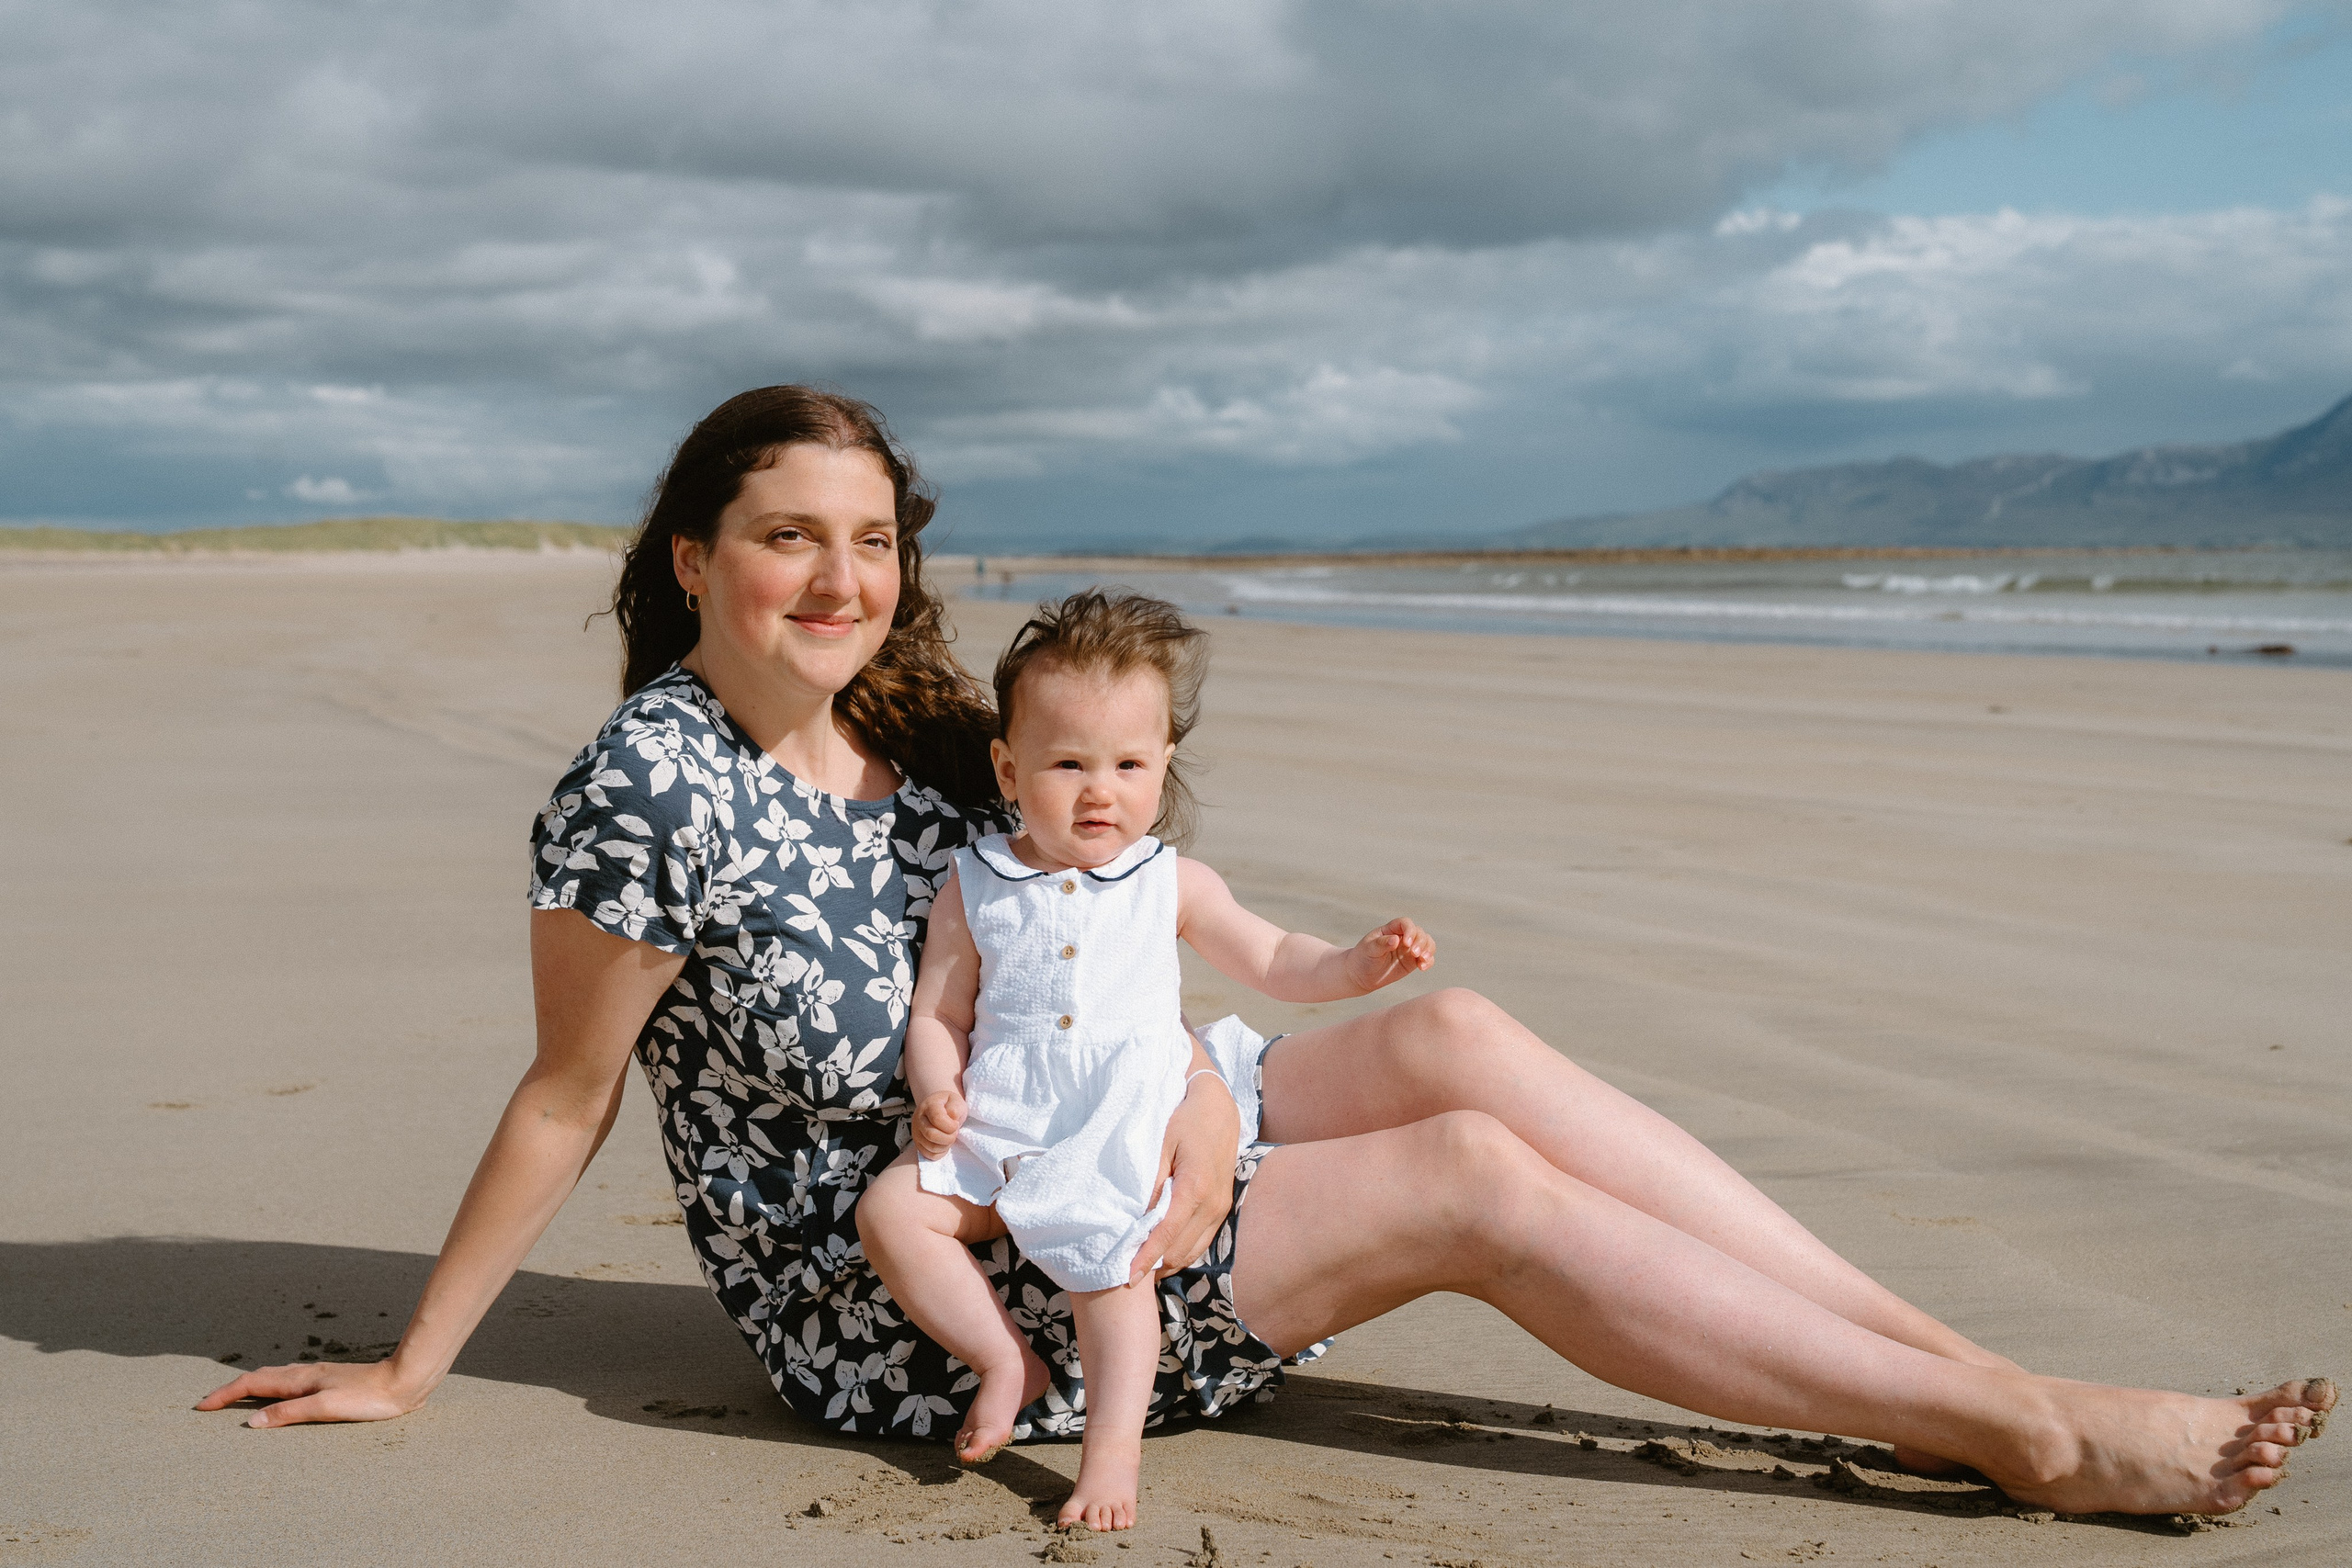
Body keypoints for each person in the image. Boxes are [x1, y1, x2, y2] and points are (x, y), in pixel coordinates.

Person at [200, 385, 2333, 1525]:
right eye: (787, 532)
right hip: (926, 1272)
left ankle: (1955, 1366)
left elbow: (1110, 942)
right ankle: (2022, 1435)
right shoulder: (641, 788)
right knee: (1477, 1181)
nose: (839, 573)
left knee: (1462, 1029)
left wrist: (1220, 1108)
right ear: (691, 556)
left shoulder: (935, 739)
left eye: (871, 536)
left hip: (1102, 1122)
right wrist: (410, 1363)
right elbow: (567, 1095)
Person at [858, 591, 1435, 1529]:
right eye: (1068, 763)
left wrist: (1354, 965)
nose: (1100, 790)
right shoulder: (976, 882)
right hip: (1001, 1115)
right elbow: (937, 1008)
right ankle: (1005, 1358)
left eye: (1129, 764)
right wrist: (935, 1087)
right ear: (1009, 769)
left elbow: (1273, 956)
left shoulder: (1170, 881)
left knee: (1112, 1273)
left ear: (1162, 766)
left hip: (1109, 1121)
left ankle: (1110, 1455)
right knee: (890, 1212)